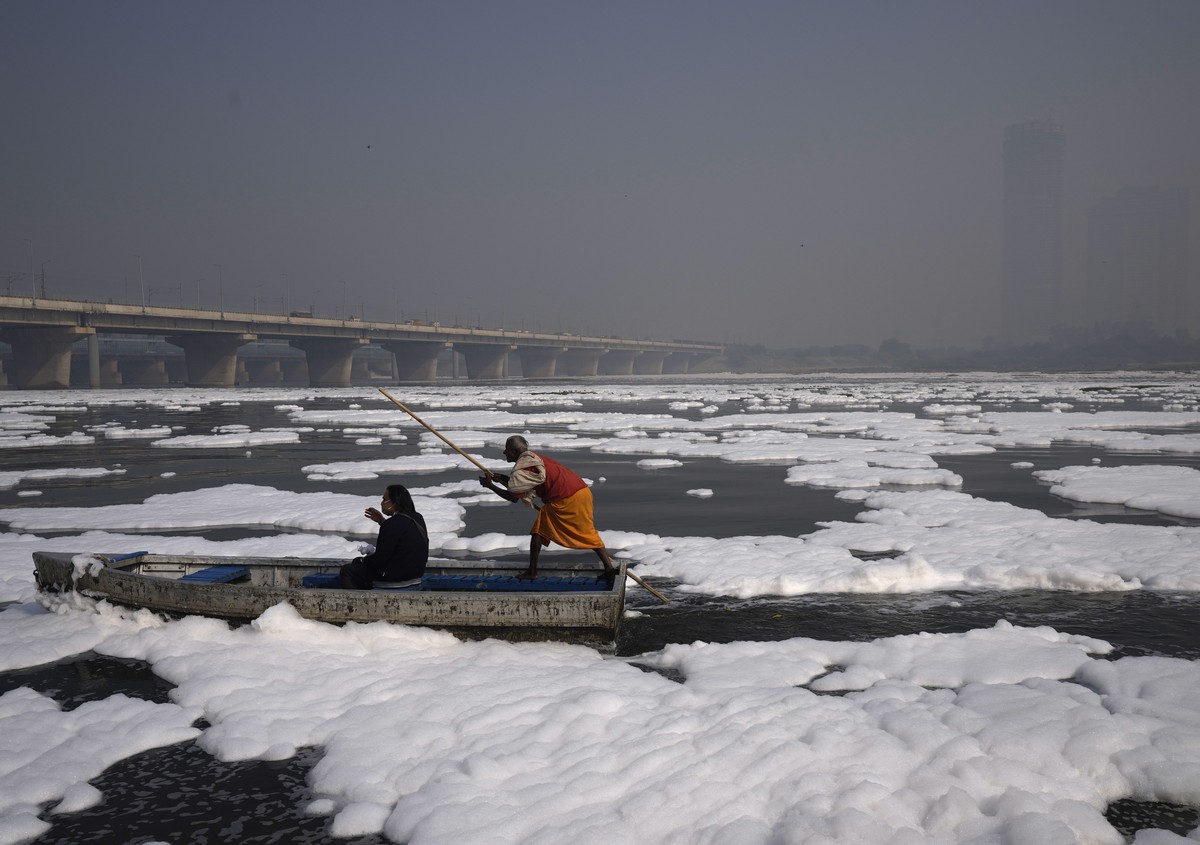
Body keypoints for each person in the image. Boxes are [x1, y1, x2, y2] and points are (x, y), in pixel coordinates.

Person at [479, 435, 616, 579]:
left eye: (506, 450)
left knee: (539, 532)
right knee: (585, 531)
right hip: (581, 491)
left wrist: (491, 486)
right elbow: (522, 486)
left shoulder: (523, 468)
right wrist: (503, 479)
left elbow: (513, 497)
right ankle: (609, 569)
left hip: (567, 497)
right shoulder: (531, 458)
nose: (504, 453)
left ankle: (532, 572)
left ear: (513, 451)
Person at [339, 484, 429, 589]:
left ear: (394, 503)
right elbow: (403, 534)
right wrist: (382, 522)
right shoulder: (418, 518)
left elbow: (379, 560)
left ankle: (354, 603)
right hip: (415, 575)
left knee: (348, 570)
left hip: (396, 578)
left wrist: (363, 560)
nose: (382, 503)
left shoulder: (392, 524)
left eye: (384, 499)